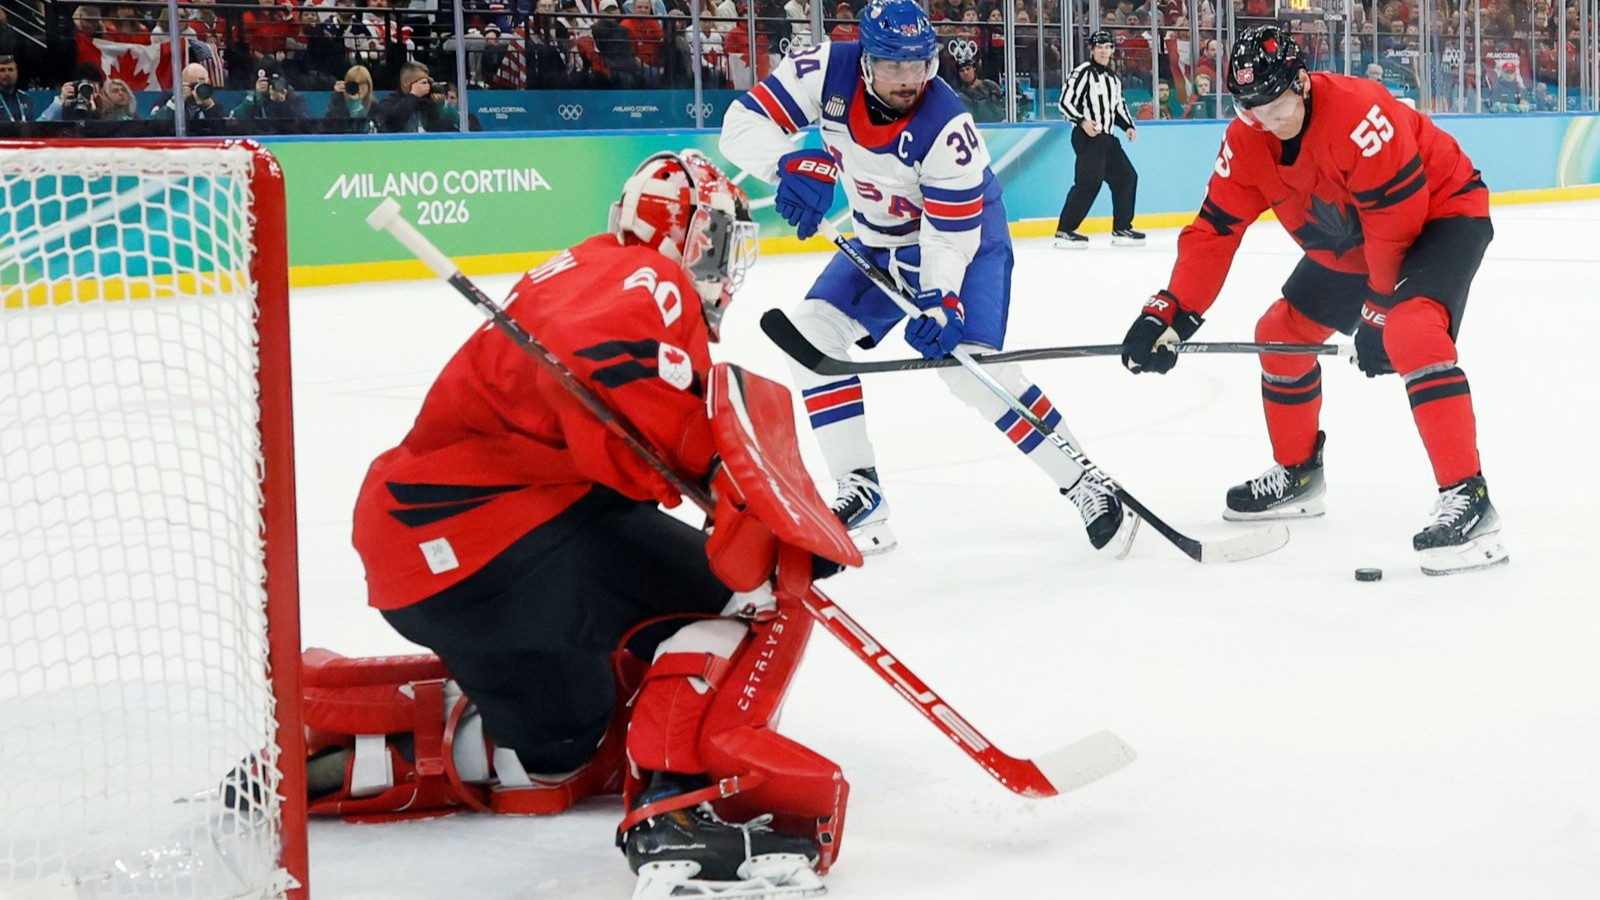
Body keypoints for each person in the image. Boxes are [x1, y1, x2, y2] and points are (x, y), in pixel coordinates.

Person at [348, 150, 850, 896]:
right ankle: (675, 807)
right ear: (685, 232)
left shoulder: (588, 264)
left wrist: (721, 473)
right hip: (500, 534)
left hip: (425, 563)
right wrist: (738, 487)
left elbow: (609, 425)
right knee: (745, 601)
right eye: (716, 241)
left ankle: (350, 743)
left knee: (563, 753)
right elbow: (607, 369)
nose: (722, 265)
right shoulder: (648, 278)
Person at [720, 0, 1134, 557]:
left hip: (965, 240)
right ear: (866, 60)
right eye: (893, 65)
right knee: (810, 335)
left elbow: (949, 238)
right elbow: (741, 125)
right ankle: (861, 490)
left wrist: (941, 301)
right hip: (880, 239)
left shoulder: (947, 126)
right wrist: (788, 163)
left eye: (918, 64)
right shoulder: (824, 69)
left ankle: (1084, 478)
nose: (909, 79)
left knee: (970, 372)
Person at [1118, 26, 1506, 575]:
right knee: (1280, 333)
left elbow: (1395, 224)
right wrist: (1172, 310)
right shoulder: (1247, 138)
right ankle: (1299, 474)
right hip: (1357, 237)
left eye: (1276, 107)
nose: (1266, 123)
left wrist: (1377, 310)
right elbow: (1214, 230)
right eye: (1251, 109)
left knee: (1410, 330)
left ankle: (1471, 500)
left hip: (1438, 216)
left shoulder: (1360, 113)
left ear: (1300, 83)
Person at [1053, 30, 1143, 248]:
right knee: (1088, 182)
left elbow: (1118, 106)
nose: (1103, 50)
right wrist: (1082, 121)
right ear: (1092, 50)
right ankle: (1065, 230)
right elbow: (1065, 102)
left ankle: (1122, 228)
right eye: (1099, 46)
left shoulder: (1113, 78)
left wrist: (1128, 126)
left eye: (1107, 46)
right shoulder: (1082, 72)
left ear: (1112, 50)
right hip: (1087, 137)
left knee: (1126, 178)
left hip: (1107, 138)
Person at [373, 61, 461, 131]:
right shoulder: (388, 102)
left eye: (427, 82)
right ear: (406, 82)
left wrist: (439, 106)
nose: (426, 86)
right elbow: (393, 122)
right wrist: (413, 95)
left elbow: (444, 127)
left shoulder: (426, 103)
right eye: (422, 82)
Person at [231, 65, 310, 133]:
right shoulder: (253, 98)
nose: (273, 85)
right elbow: (235, 119)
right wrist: (257, 97)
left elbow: (303, 125)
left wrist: (283, 103)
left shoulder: (295, 98)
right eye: (270, 82)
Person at [150, 62, 226, 132]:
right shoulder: (167, 99)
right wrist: (175, 104)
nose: (196, 90)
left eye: (201, 85)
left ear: (208, 82)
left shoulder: (214, 104)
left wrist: (209, 107)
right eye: (192, 86)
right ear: (180, 84)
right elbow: (154, 128)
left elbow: (223, 132)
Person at [324, 63, 376, 133]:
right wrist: (339, 96)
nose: (359, 88)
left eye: (362, 83)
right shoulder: (338, 104)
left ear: (369, 85)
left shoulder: (375, 107)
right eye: (355, 84)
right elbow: (328, 127)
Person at [0, 54, 31, 123]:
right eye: (2, 70)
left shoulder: (26, 99)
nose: (7, 73)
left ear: (16, 72)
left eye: (10, 70)